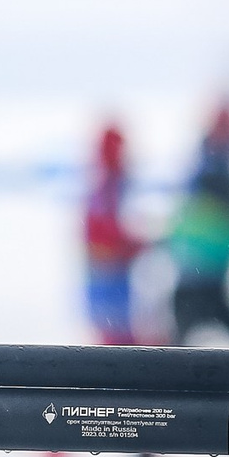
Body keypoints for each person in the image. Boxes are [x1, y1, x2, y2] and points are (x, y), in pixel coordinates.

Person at [163, 99, 229, 347]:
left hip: (201, 273)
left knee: (181, 344)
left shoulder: (210, 162)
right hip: (200, 274)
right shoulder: (213, 165)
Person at [81, 117, 144, 346]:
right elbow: (104, 236)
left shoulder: (107, 183)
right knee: (118, 345)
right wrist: (134, 246)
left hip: (110, 276)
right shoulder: (107, 184)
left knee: (118, 342)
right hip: (107, 277)